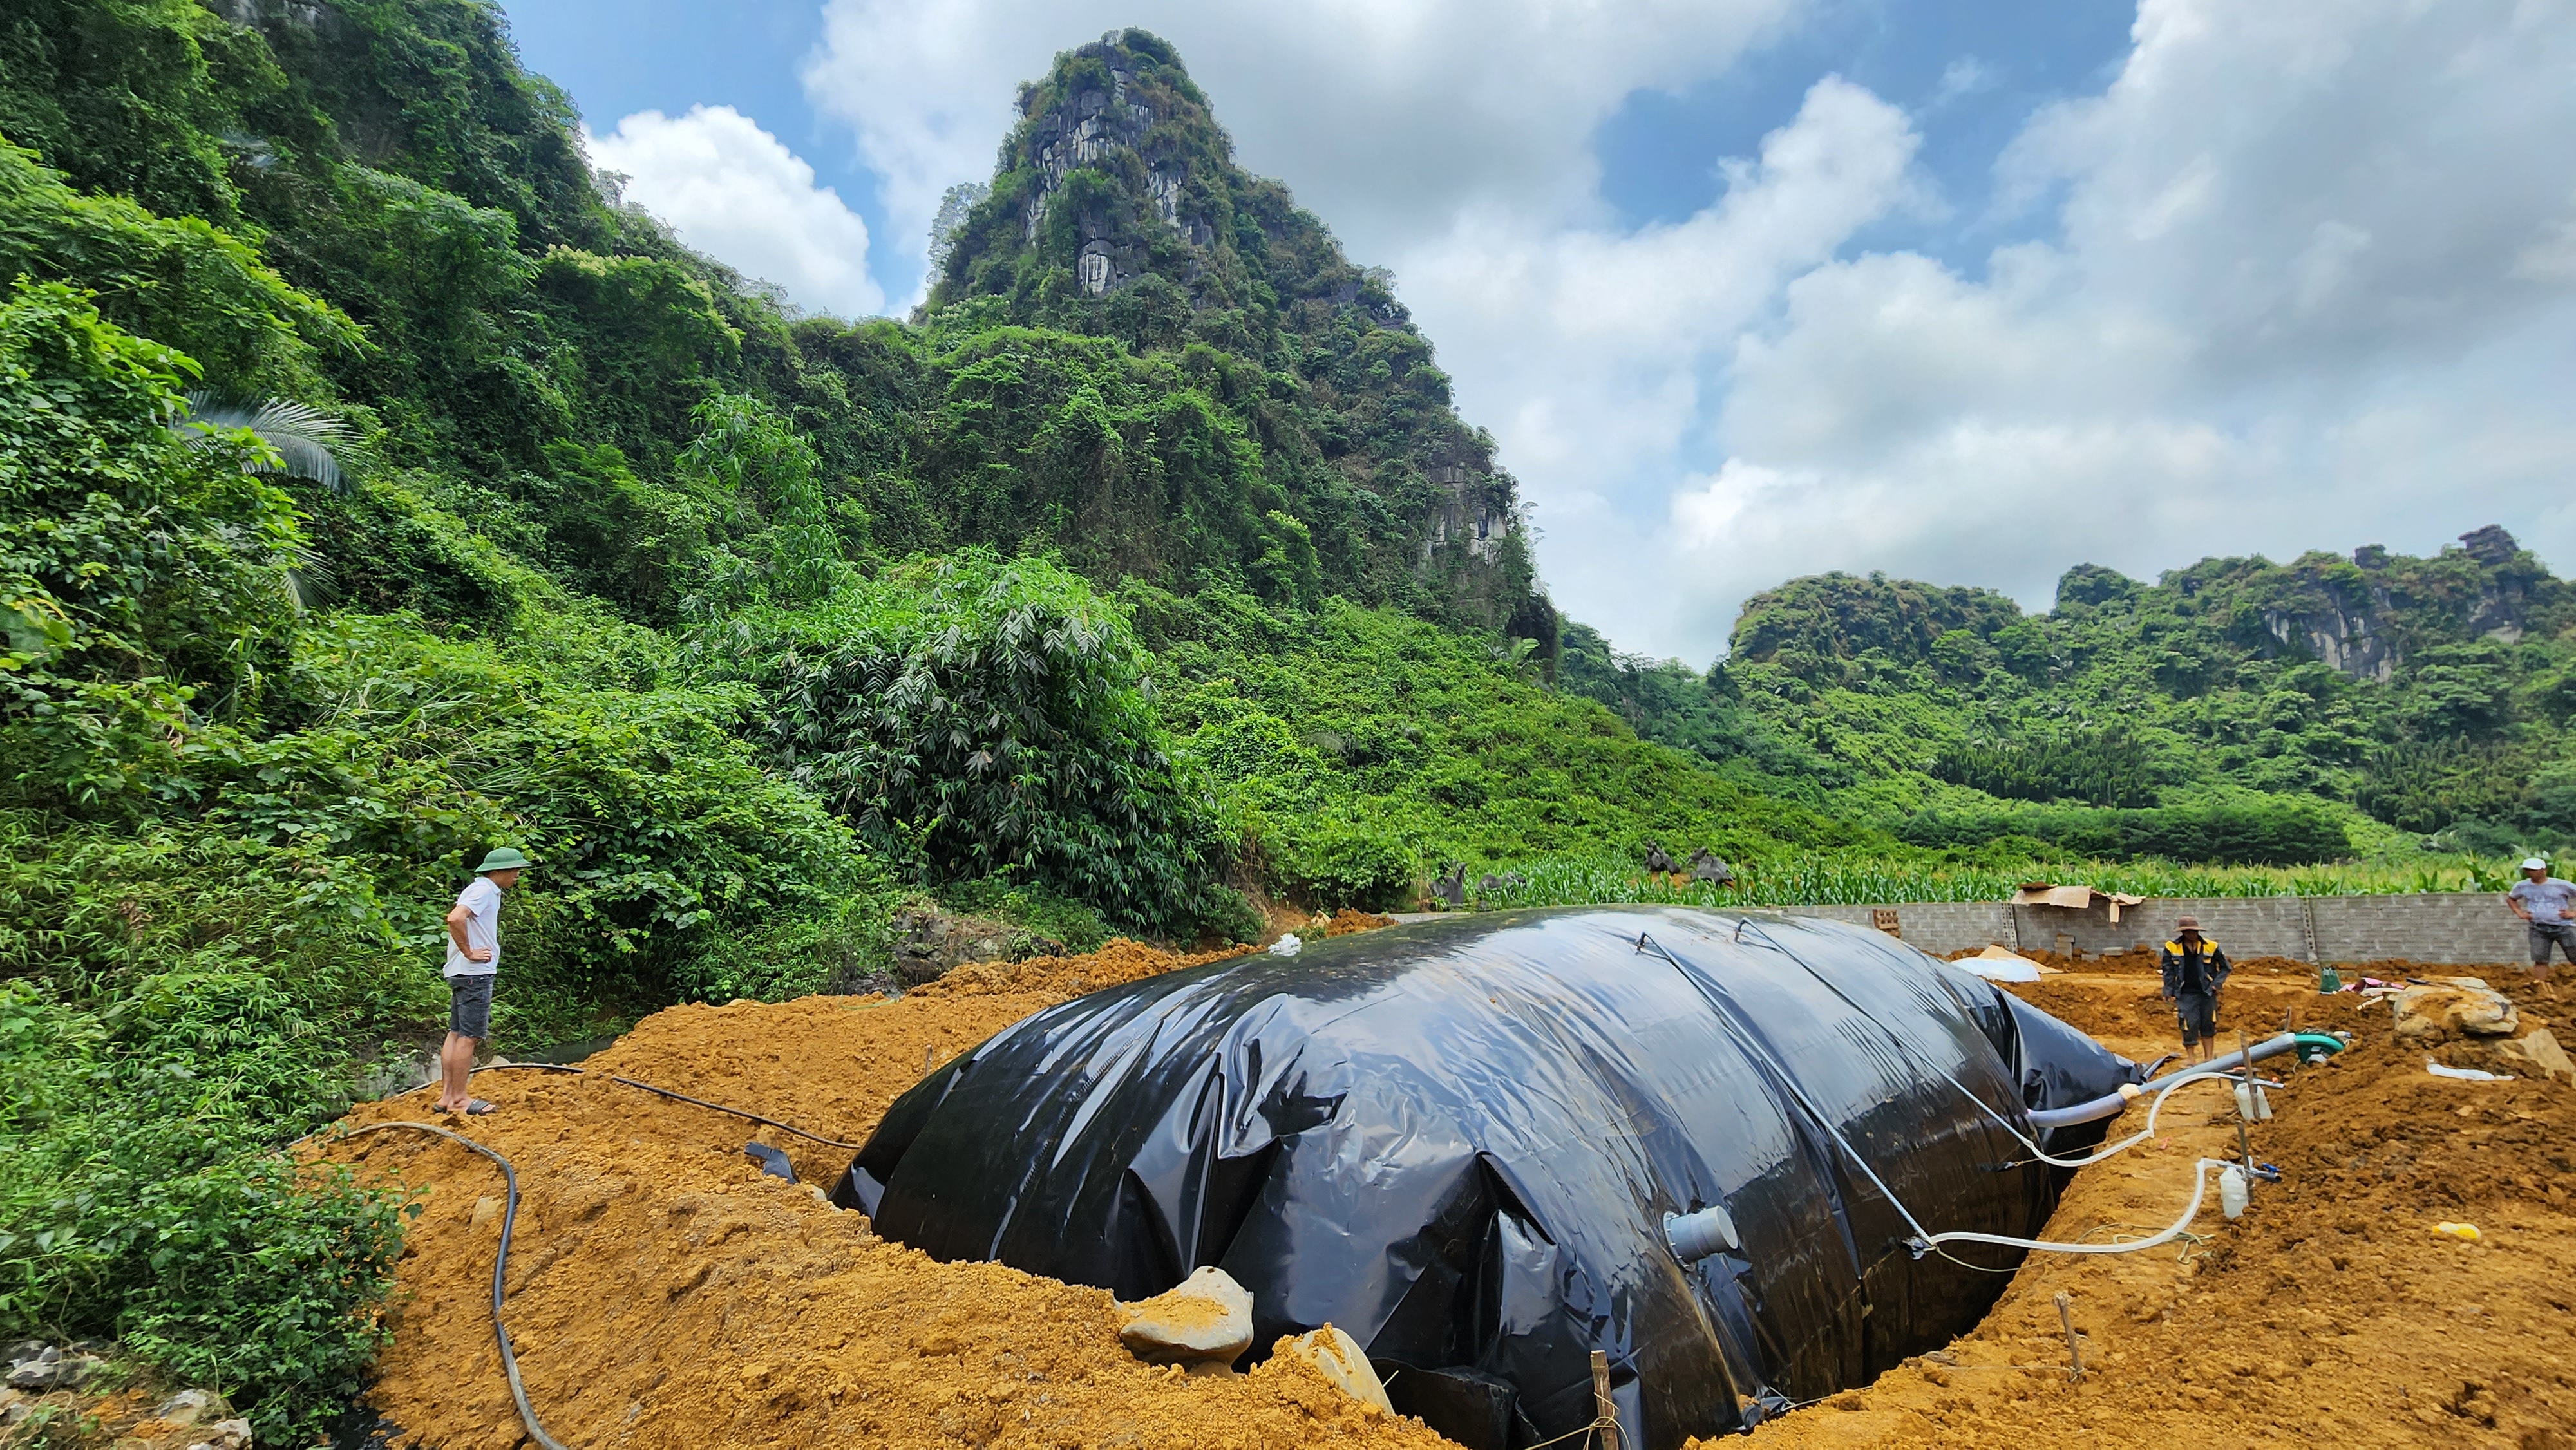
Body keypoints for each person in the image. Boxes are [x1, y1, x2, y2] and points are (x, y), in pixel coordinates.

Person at [438, 847, 531, 1115]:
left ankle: (447, 1096)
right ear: (497, 871)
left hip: (460, 972)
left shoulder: (477, 889)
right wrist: (470, 952)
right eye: (514, 870)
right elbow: (455, 918)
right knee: (470, 1037)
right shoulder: (484, 891)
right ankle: (459, 1099)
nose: (517, 875)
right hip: (473, 974)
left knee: (456, 1032)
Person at [2158, 916, 2231, 1064]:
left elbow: (2226, 967)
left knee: (2208, 1023)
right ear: (2183, 933)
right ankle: (2191, 1059)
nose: (2192, 935)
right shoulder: (2172, 947)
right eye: (2188, 932)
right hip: (2185, 993)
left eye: (2194, 931)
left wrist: (2216, 984)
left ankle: (2209, 1059)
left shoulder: (2211, 946)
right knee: (2188, 1024)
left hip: (2207, 992)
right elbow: (2168, 971)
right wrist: (2168, 990)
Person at [2506, 856, 2576, 976]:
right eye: (2528, 870)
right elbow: (2511, 899)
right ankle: (2540, 986)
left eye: (2534, 870)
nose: (2530, 873)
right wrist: (2520, 913)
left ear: (2544, 870)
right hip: (2538, 928)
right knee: (2540, 959)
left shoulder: (2561, 885)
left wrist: (2573, 914)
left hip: (2564, 926)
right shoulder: (2522, 886)